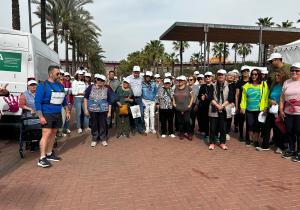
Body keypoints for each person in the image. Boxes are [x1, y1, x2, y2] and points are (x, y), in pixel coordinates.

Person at [35, 65, 70, 168]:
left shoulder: (60, 86)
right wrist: (41, 116)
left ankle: (49, 154)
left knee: (53, 133)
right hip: (47, 113)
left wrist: (67, 111)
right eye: (57, 73)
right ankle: (42, 158)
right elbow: (37, 102)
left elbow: (64, 100)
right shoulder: (42, 86)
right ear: (50, 74)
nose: (59, 75)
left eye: (60, 73)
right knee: (46, 133)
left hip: (57, 113)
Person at [260, 70, 289, 153]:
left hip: (280, 110)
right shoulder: (274, 86)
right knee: (266, 127)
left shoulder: (285, 86)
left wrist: (280, 105)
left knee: (278, 129)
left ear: (283, 77)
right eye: (276, 75)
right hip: (271, 109)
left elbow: (286, 99)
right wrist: (270, 101)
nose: (276, 77)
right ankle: (265, 145)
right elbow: (268, 97)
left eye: (278, 75)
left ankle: (280, 146)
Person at [240, 68, 269, 147]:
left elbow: (266, 97)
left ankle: (255, 141)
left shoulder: (263, 84)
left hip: (259, 109)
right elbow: (243, 98)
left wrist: (266, 107)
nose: (253, 76)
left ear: (259, 75)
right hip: (249, 109)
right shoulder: (246, 85)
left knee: (257, 125)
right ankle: (250, 139)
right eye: (252, 74)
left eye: (255, 74)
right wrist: (242, 107)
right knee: (250, 124)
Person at [84, 74, 114, 147]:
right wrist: (85, 109)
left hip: (103, 110)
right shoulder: (90, 87)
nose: (100, 81)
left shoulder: (107, 89)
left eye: (102, 80)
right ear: (96, 80)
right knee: (94, 124)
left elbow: (110, 101)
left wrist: (109, 112)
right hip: (93, 110)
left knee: (103, 124)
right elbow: (85, 98)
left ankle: (103, 139)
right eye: (98, 79)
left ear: (104, 82)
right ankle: (94, 138)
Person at [208, 69, 234, 150]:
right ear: (216, 76)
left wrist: (222, 106)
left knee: (223, 127)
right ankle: (212, 142)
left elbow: (230, 97)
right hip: (214, 108)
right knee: (212, 127)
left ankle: (222, 142)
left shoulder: (229, 85)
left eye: (222, 75)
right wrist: (217, 105)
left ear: (225, 76)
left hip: (224, 108)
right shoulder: (212, 85)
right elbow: (210, 97)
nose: (220, 76)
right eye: (219, 74)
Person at [280, 63, 300, 162]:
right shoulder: (287, 82)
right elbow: (282, 97)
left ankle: (299, 152)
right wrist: (281, 109)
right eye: (292, 70)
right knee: (289, 131)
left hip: (299, 112)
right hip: (288, 111)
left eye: (297, 70)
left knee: (298, 132)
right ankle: (291, 149)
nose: (294, 72)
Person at [19, 79, 39, 151]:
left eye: (34, 85)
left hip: (39, 114)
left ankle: (38, 143)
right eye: (31, 85)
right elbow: (21, 105)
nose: (33, 86)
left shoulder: (39, 93)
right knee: (30, 128)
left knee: (41, 128)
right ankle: (31, 144)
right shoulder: (24, 94)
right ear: (28, 86)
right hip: (29, 115)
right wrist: (30, 109)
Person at [127, 66, 146, 135]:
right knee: (134, 114)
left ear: (139, 72)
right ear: (133, 72)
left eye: (137, 72)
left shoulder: (141, 78)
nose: (136, 74)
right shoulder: (129, 78)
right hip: (132, 98)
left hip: (139, 98)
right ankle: (134, 128)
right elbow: (124, 85)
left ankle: (140, 129)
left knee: (141, 114)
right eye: (135, 72)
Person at [173, 75, 193, 140]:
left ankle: (189, 133)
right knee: (180, 121)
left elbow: (192, 97)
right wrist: (174, 103)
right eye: (179, 80)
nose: (180, 81)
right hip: (178, 107)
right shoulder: (175, 88)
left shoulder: (188, 88)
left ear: (184, 81)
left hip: (186, 107)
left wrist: (190, 105)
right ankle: (181, 133)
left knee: (187, 121)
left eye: (181, 80)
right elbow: (173, 96)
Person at [197, 71, 214, 141]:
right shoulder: (203, 86)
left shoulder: (214, 86)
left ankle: (214, 134)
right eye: (206, 76)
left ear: (212, 78)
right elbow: (199, 95)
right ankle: (207, 134)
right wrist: (201, 97)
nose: (207, 78)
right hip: (204, 107)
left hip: (213, 106)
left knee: (213, 121)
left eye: (209, 76)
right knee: (205, 121)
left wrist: (208, 97)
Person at [235, 66, 250, 142]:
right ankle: (241, 135)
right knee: (241, 120)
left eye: (247, 71)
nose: (246, 72)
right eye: (244, 71)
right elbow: (237, 95)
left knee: (249, 121)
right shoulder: (239, 82)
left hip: (251, 104)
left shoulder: (252, 81)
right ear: (241, 72)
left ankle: (247, 136)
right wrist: (237, 106)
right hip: (242, 104)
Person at [225, 71, 237, 141]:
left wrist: (234, 102)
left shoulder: (235, 85)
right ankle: (221, 131)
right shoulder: (224, 84)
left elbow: (236, 95)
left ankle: (227, 132)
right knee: (222, 118)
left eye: (232, 76)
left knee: (229, 119)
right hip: (223, 103)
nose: (231, 77)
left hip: (230, 104)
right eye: (229, 75)